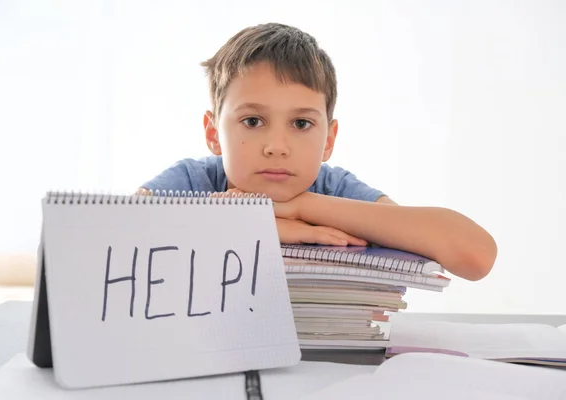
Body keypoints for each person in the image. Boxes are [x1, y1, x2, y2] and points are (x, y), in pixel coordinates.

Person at [136, 23, 497, 281]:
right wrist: (260, 225)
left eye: (301, 124)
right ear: (214, 133)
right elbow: (111, 244)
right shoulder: (192, 181)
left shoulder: (335, 192)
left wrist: (300, 208)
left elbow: (476, 256)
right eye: (252, 121)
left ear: (328, 140)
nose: (276, 147)